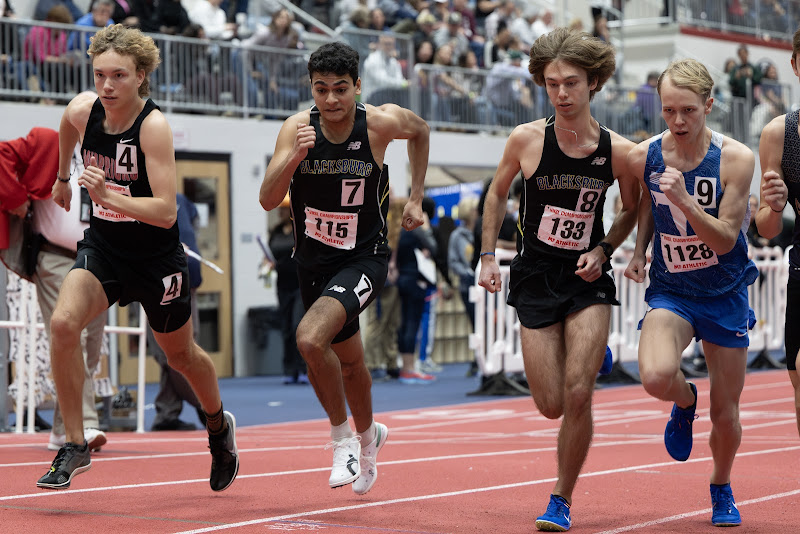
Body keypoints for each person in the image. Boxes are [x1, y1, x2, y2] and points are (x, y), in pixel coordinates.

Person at [37, 24, 238, 491]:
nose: (107, 86)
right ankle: (74, 443)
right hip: (105, 248)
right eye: (100, 75)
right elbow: (66, 125)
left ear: (141, 75)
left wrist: (108, 195)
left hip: (155, 259)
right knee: (63, 324)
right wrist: (64, 178)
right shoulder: (84, 109)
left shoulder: (153, 126)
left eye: (119, 76)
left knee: (180, 355)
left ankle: (217, 426)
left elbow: (166, 212)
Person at [478, 27, 639, 531]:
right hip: (534, 275)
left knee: (578, 393)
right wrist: (487, 256)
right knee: (550, 404)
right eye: (552, 84)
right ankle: (588, 359)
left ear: (594, 83)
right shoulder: (526, 139)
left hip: (587, 278)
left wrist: (605, 248)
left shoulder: (618, 150)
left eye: (571, 83)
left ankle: (560, 499)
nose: (562, 94)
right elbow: (496, 194)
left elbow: (632, 208)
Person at [258, 41, 429, 495]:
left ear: (357, 86)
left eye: (340, 89)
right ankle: (370, 439)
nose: (331, 99)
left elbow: (421, 130)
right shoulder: (296, 128)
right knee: (349, 364)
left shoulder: (379, 123)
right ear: (311, 88)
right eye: (321, 89)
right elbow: (268, 199)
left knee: (309, 338)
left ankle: (343, 442)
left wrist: (415, 197)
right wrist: (293, 157)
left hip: (363, 257)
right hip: (313, 262)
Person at [624, 58, 757, 527]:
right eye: (668, 111)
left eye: (688, 111)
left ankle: (721, 485)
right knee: (655, 376)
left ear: (709, 105)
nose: (678, 121)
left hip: (724, 290)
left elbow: (724, 239)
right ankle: (684, 402)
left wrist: (684, 200)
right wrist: (638, 250)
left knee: (726, 413)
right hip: (673, 290)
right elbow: (646, 200)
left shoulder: (736, 159)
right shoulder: (645, 155)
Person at [0, 126, 107, 453]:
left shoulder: (107, 156)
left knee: (91, 346)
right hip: (54, 257)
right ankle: (85, 423)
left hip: (99, 258)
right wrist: (17, 199)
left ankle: (63, 430)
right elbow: (1, 156)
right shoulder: (47, 142)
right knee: (75, 335)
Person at [755, 27, 800, 440]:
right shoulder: (778, 134)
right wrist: (774, 205)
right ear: (795, 66)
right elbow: (768, 229)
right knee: (797, 379)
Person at [147, 192, 207, 431]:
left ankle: (167, 412)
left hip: (186, 280)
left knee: (185, 346)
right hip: (160, 280)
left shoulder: (184, 201)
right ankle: (205, 405)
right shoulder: (143, 199)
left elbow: (194, 232)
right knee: (170, 351)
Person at [268, 193, 308, 385]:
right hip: (282, 284)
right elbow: (270, 254)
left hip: (300, 284)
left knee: (297, 325)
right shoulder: (275, 232)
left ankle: (302, 368)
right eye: (280, 210)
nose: (281, 213)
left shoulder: (301, 230)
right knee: (285, 327)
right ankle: (289, 369)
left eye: (284, 209)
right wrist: (267, 264)